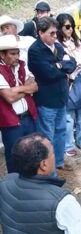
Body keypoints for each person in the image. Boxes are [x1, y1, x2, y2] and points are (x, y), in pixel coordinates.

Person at [0, 133, 81, 234]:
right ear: (43, 164)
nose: (55, 155)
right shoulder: (62, 201)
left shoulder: (5, 183)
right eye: (52, 153)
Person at [28, 17, 77, 172]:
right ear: (41, 33)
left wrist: (59, 65)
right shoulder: (35, 51)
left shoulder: (56, 46)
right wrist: (62, 66)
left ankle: (59, 162)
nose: (56, 36)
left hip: (61, 98)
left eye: (56, 33)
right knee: (47, 137)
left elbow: (72, 64)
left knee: (61, 132)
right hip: (47, 102)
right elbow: (48, 73)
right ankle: (50, 170)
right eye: (52, 33)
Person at [0, 35, 38, 172]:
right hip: (11, 123)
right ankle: (16, 188)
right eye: (12, 54)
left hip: (28, 117)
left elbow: (34, 86)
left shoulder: (21, 64)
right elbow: (9, 97)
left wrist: (17, 90)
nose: (17, 57)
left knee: (32, 154)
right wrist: (26, 90)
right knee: (14, 157)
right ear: (2, 55)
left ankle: (31, 184)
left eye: (18, 53)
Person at [56, 13, 81, 156]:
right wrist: (75, 63)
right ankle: (68, 144)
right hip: (68, 81)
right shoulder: (57, 45)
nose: (70, 29)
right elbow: (66, 65)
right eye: (67, 26)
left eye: (72, 26)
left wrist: (76, 63)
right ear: (60, 28)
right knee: (68, 113)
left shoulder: (75, 41)